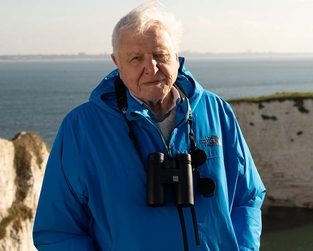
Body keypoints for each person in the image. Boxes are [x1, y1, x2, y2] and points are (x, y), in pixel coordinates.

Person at [32, 1, 266, 251]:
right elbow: (58, 232)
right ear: (117, 63)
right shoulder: (82, 128)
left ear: (176, 57)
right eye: (136, 58)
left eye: (160, 55)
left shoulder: (216, 111)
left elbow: (248, 197)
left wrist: (244, 248)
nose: (151, 68)